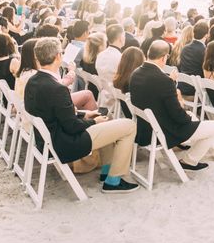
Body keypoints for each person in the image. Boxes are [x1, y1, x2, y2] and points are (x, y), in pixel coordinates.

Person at [24, 38, 139, 193]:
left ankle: (106, 171)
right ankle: (113, 180)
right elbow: (72, 127)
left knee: (108, 119)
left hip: (48, 139)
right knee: (129, 126)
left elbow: (53, 113)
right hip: (66, 142)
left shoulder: (33, 81)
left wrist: (83, 114)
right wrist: (93, 122)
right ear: (58, 56)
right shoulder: (57, 88)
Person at [129, 40, 214, 170]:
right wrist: (185, 112)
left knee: (193, 117)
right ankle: (189, 161)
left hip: (144, 129)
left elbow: (156, 96)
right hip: (164, 131)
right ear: (164, 57)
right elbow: (179, 116)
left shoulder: (136, 73)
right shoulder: (162, 80)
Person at [16, 38, 97, 110]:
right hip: (44, 108)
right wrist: (71, 72)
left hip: (35, 108)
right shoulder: (34, 75)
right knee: (87, 94)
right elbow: (56, 87)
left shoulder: (25, 72)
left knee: (85, 97)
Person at [177, 21, 208, 96]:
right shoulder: (204, 51)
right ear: (206, 35)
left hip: (182, 86)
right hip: (195, 90)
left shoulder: (185, 48)